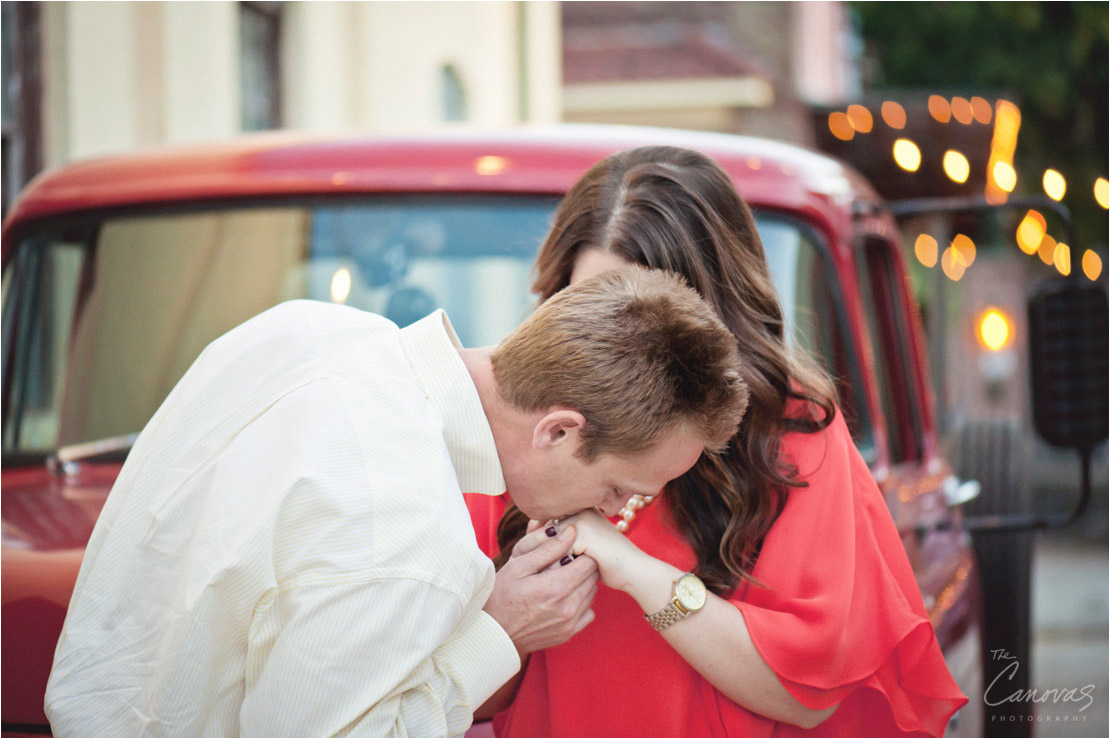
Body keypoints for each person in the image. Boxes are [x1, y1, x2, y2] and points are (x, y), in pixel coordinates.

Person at [44, 266, 750, 737]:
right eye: (619, 489)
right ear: (560, 430)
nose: (614, 513)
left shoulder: (303, 329)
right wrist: (494, 635)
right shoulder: (405, 532)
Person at [466, 147, 969, 737]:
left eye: (643, 313)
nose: (612, 340)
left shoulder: (791, 434)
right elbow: (461, 698)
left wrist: (635, 571)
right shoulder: (517, 438)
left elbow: (809, 693)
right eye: (588, 308)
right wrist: (507, 625)